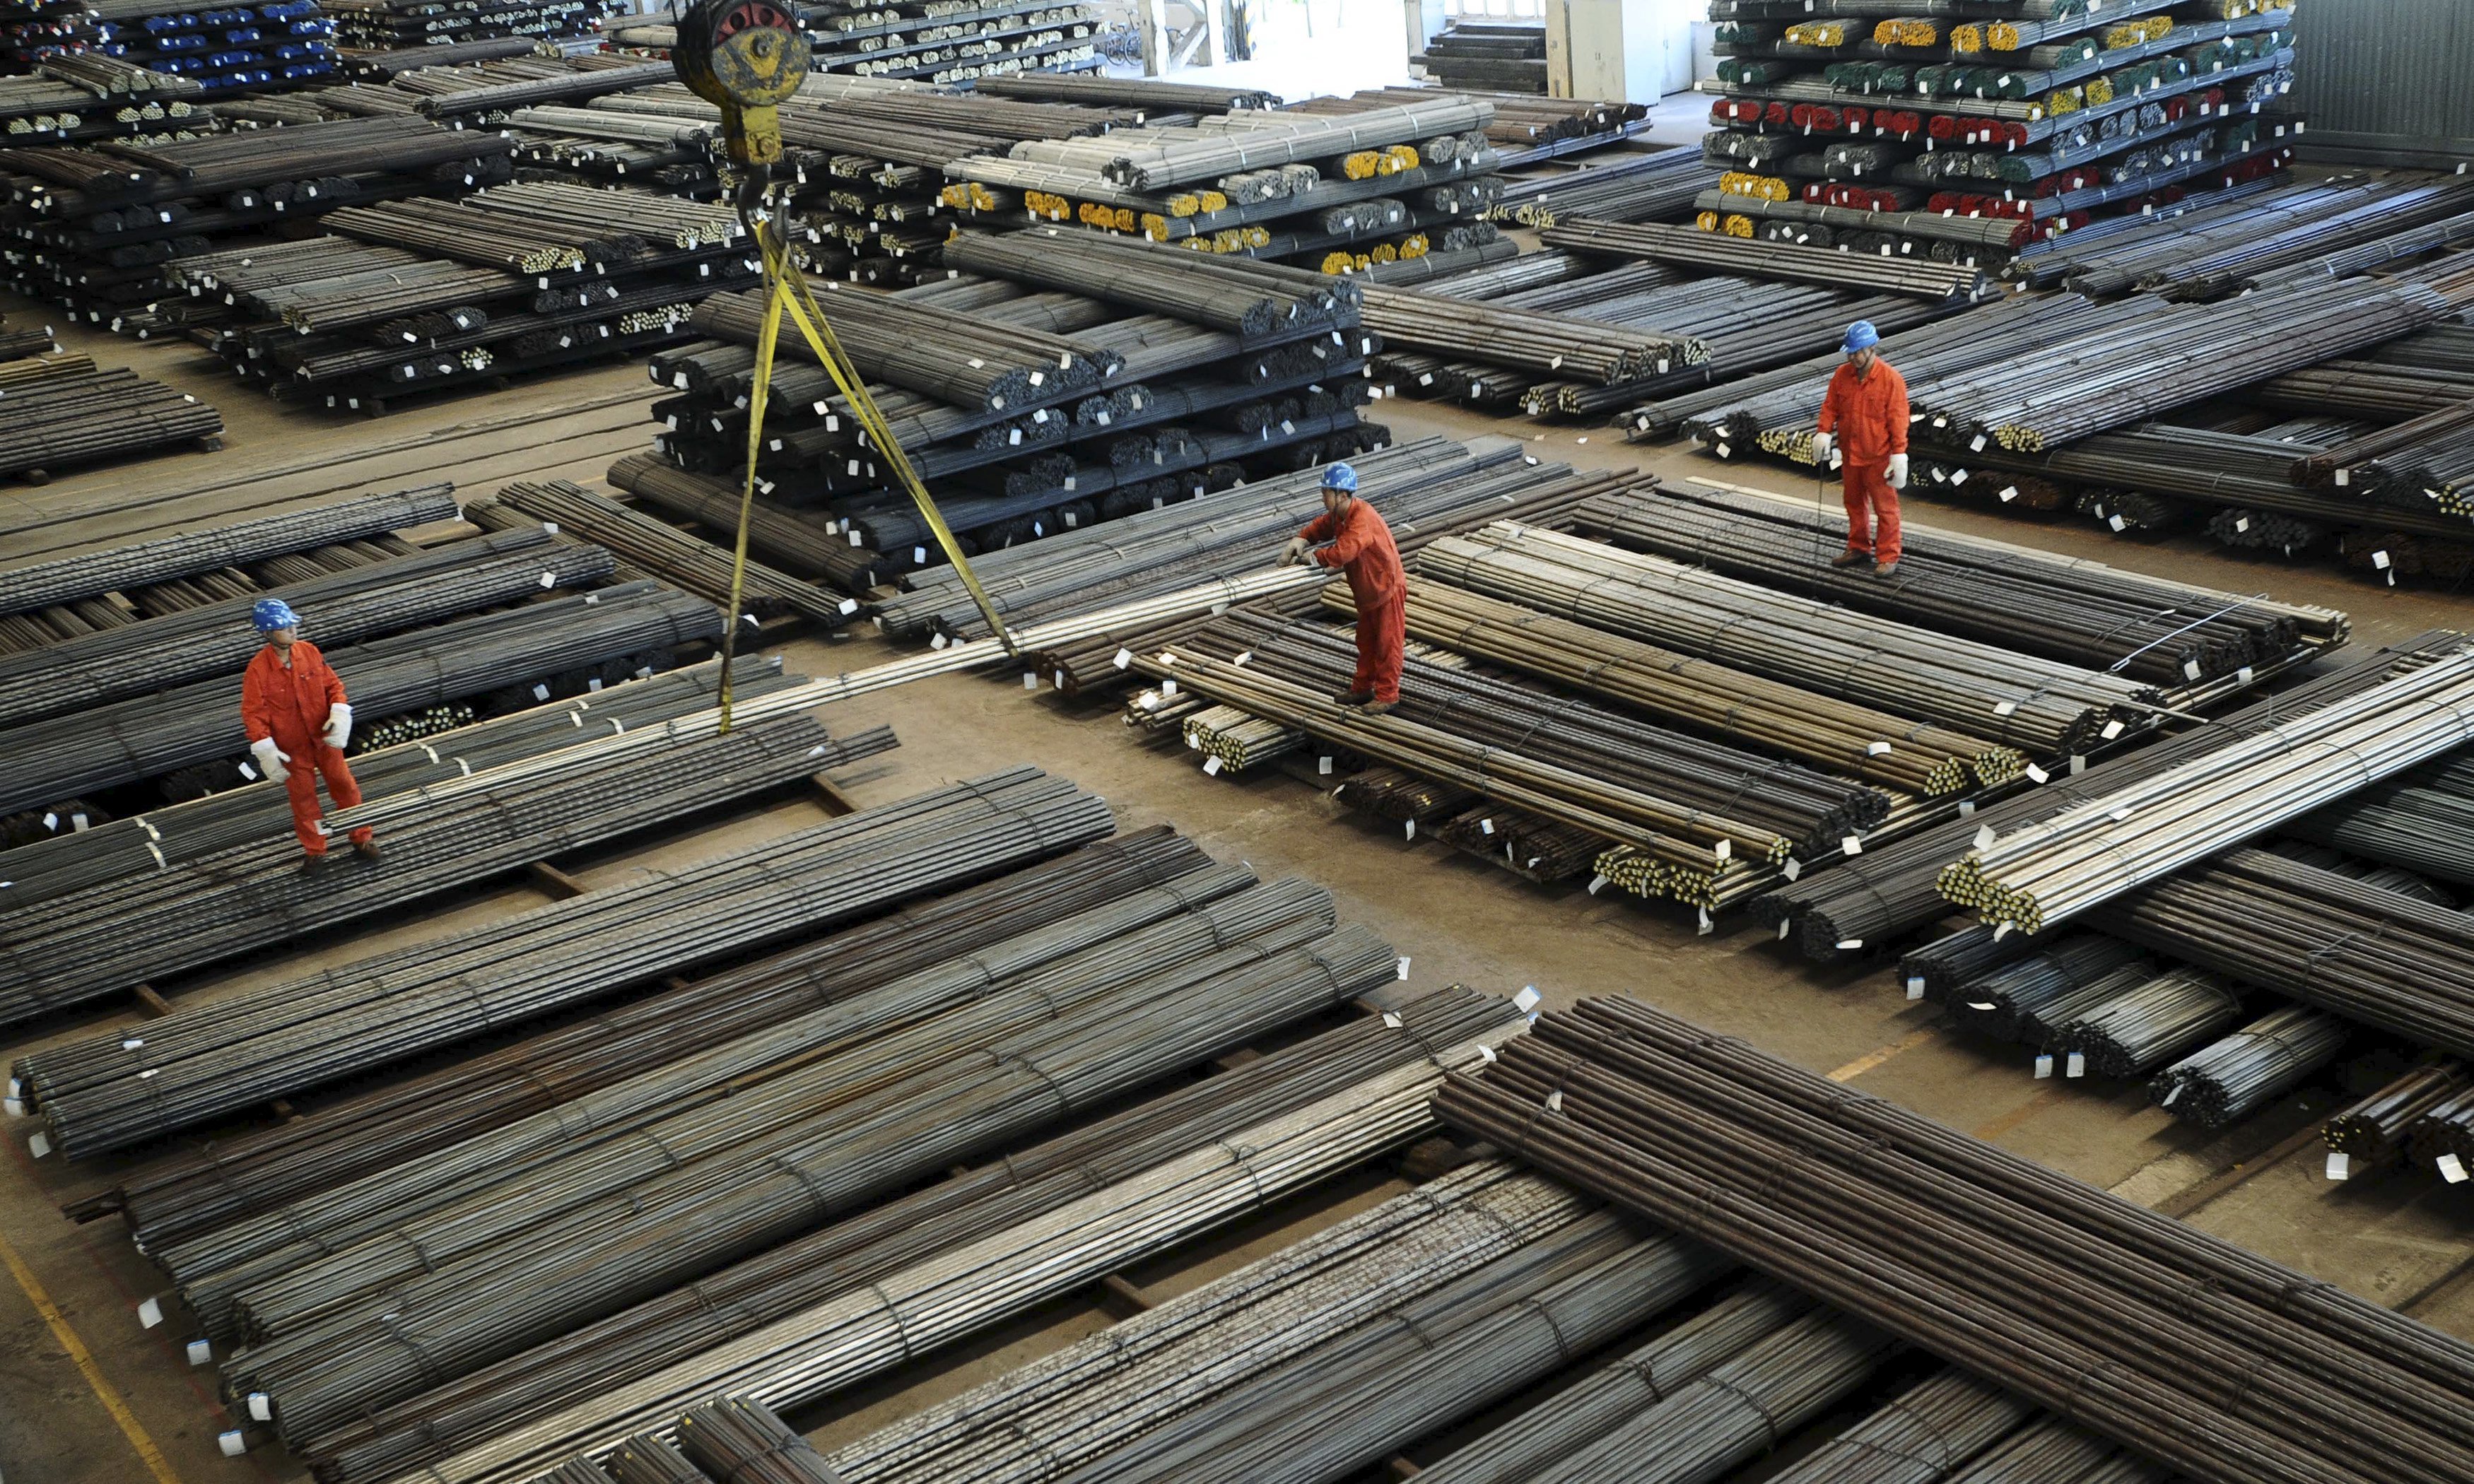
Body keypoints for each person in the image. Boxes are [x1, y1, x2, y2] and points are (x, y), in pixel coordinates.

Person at [240, 598, 381, 870]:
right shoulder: (258, 671)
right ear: (268, 633)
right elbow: (253, 713)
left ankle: (361, 838)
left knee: (346, 787)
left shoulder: (310, 653)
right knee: (304, 801)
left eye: (293, 625)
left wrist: (339, 713)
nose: (293, 630)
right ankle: (316, 850)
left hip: (324, 740)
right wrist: (266, 749)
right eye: (285, 627)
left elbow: (333, 686)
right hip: (292, 749)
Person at [1280, 461, 1405, 715]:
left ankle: (1387, 695)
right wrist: (1302, 537)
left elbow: (1344, 551)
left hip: (1385, 589)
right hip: (1367, 591)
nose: (1322, 497)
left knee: (1386, 644)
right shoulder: (1341, 515)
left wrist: (1315, 557)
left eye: (1326, 492)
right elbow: (1323, 526)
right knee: (1366, 642)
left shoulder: (1362, 519)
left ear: (1342, 494)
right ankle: (1362, 689)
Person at [1811, 319, 1911, 578]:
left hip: (1878, 458)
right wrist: (1823, 431)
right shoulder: (1842, 376)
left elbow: (1898, 420)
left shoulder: (1891, 381)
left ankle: (1888, 555)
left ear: (1872, 348)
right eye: (1850, 352)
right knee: (1854, 503)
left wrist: (1899, 454)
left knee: (1885, 509)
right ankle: (1858, 547)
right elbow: (1830, 405)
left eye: (1857, 352)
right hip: (1851, 454)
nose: (1853, 357)